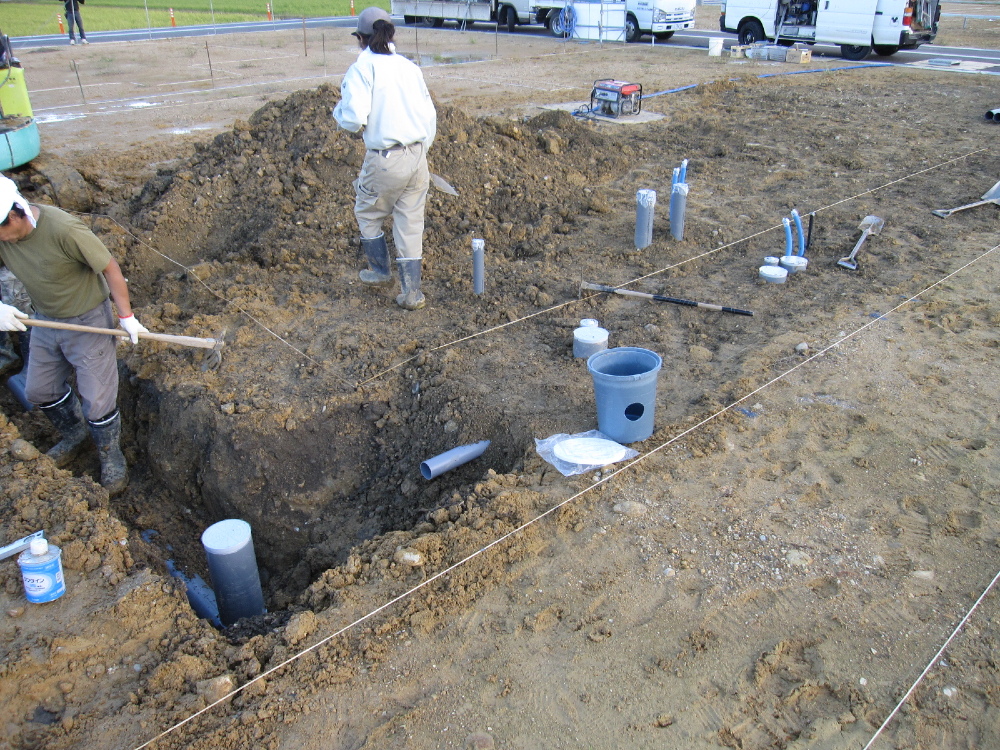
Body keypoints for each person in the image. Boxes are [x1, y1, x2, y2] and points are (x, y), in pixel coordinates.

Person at [0, 175, 147, 495]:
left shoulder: (63, 230)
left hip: (88, 319)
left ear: (14, 214)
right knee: (39, 390)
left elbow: (110, 267)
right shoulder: (4, 235)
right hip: (45, 319)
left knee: (97, 400)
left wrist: (126, 317)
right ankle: (76, 434)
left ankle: (110, 455)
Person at [333, 6, 437, 310]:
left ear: (360, 38)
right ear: (391, 34)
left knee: (368, 212)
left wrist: (338, 113)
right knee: (410, 222)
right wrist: (421, 152)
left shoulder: (363, 69)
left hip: (386, 158)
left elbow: (354, 118)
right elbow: (429, 115)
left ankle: (380, 271)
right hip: (417, 155)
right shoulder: (409, 68)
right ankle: (412, 293)